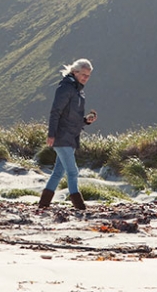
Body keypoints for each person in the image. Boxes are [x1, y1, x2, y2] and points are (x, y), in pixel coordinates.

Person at [39, 58, 97, 209]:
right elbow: (55, 112)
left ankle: (44, 204)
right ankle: (79, 205)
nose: (85, 78)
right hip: (61, 136)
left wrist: (85, 121)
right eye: (83, 74)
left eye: (88, 75)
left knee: (58, 172)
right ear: (74, 72)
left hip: (71, 137)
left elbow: (72, 116)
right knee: (73, 171)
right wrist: (51, 134)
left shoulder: (78, 91)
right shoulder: (65, 88)